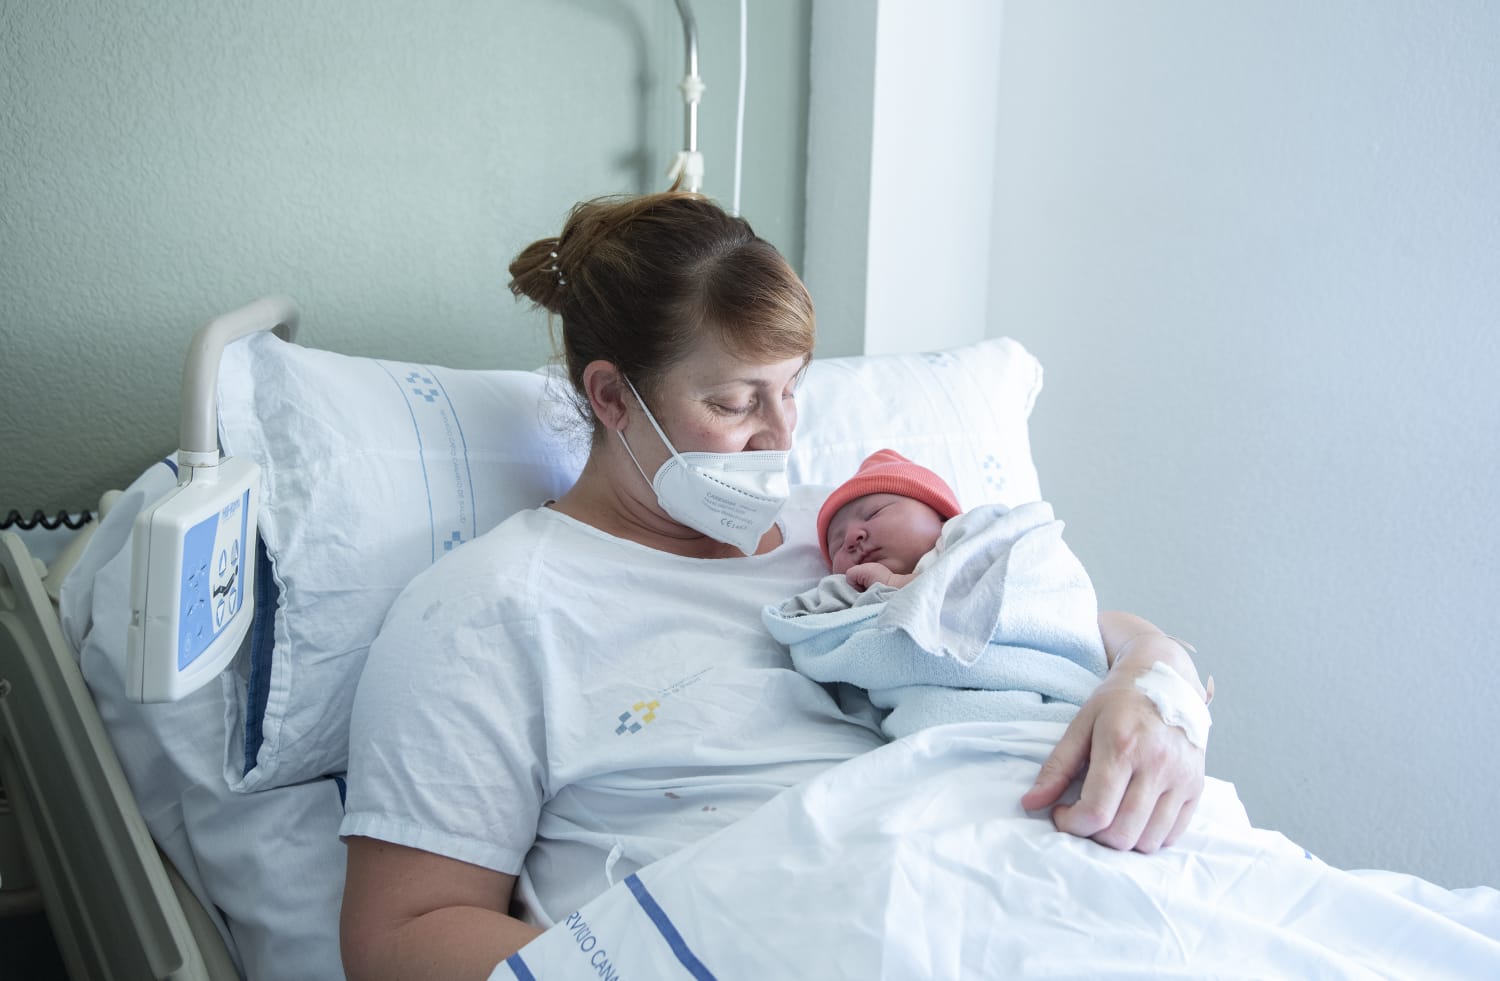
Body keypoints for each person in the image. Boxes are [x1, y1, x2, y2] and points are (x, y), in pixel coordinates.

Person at [337, 190, 1211, 980]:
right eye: (734, 403)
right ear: (612, 397)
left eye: (793, 389)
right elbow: (399, 935)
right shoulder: (491, 608)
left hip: (1018, 891)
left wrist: (1154, 683)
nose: (781, 437)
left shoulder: (846, 526)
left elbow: (1036, 619)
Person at [768, 448, 1119, 741]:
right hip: (941, 731)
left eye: (874, 513)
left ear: (939, 515)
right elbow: (829, 646)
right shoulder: (855, 599)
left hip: (1044, 696)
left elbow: (1013, 585)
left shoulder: (981, 536)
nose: (852, 537)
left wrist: (900, 584)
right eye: (836, 544)